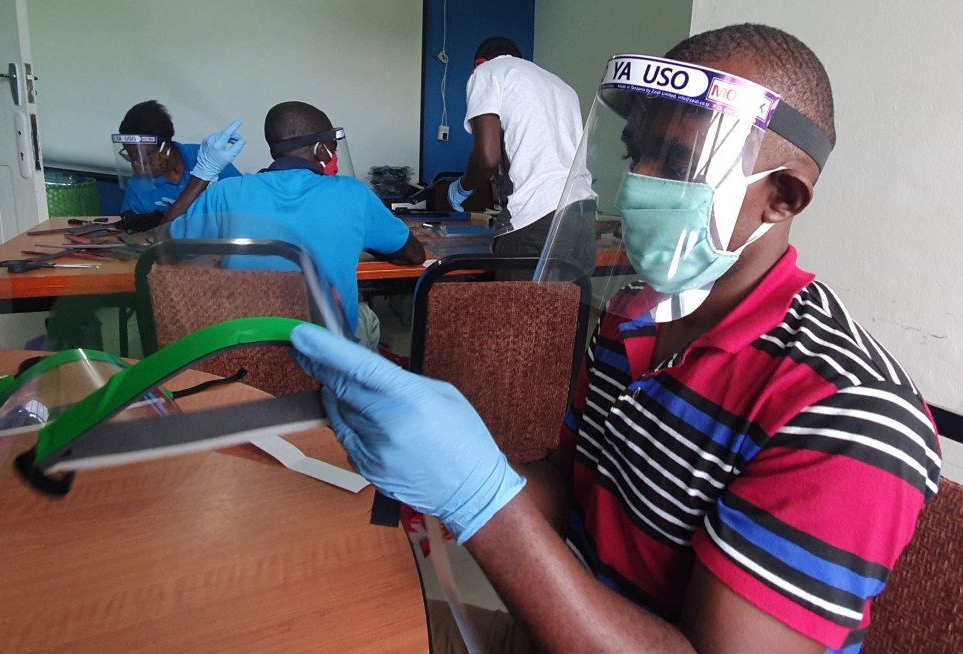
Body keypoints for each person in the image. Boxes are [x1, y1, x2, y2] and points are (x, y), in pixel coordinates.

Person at [288, 24, 941, 654]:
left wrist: (478, 499)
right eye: (637, 155)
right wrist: (434, 467)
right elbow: (577, 485)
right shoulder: (635, 318)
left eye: (679, 161)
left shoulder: (848, 414)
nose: (639, 186)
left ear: (782, 197)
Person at [162, 101, 425, 336]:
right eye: (332, 149)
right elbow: (414, 255)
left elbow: (161, 246)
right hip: (328, 359)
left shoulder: (226, 192)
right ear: (321, 149)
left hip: (249, 350)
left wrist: (202, 173)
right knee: (367, 319)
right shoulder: (354, 194)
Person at [448, 37, 593, 257]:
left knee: (520, 293)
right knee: (570, 292)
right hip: (582, 212)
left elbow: (487, 158)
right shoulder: (561, 86)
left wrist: (461, 188)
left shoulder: (487, 71)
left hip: (534, 218)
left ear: (479, 63)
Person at [117, 101, 242, 214]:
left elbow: (245, 199)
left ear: (164, 149)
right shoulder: (138, 187)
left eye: (142, 158)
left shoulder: (208, 158)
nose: (136, 165)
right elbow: (130, 232)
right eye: (131, 156)